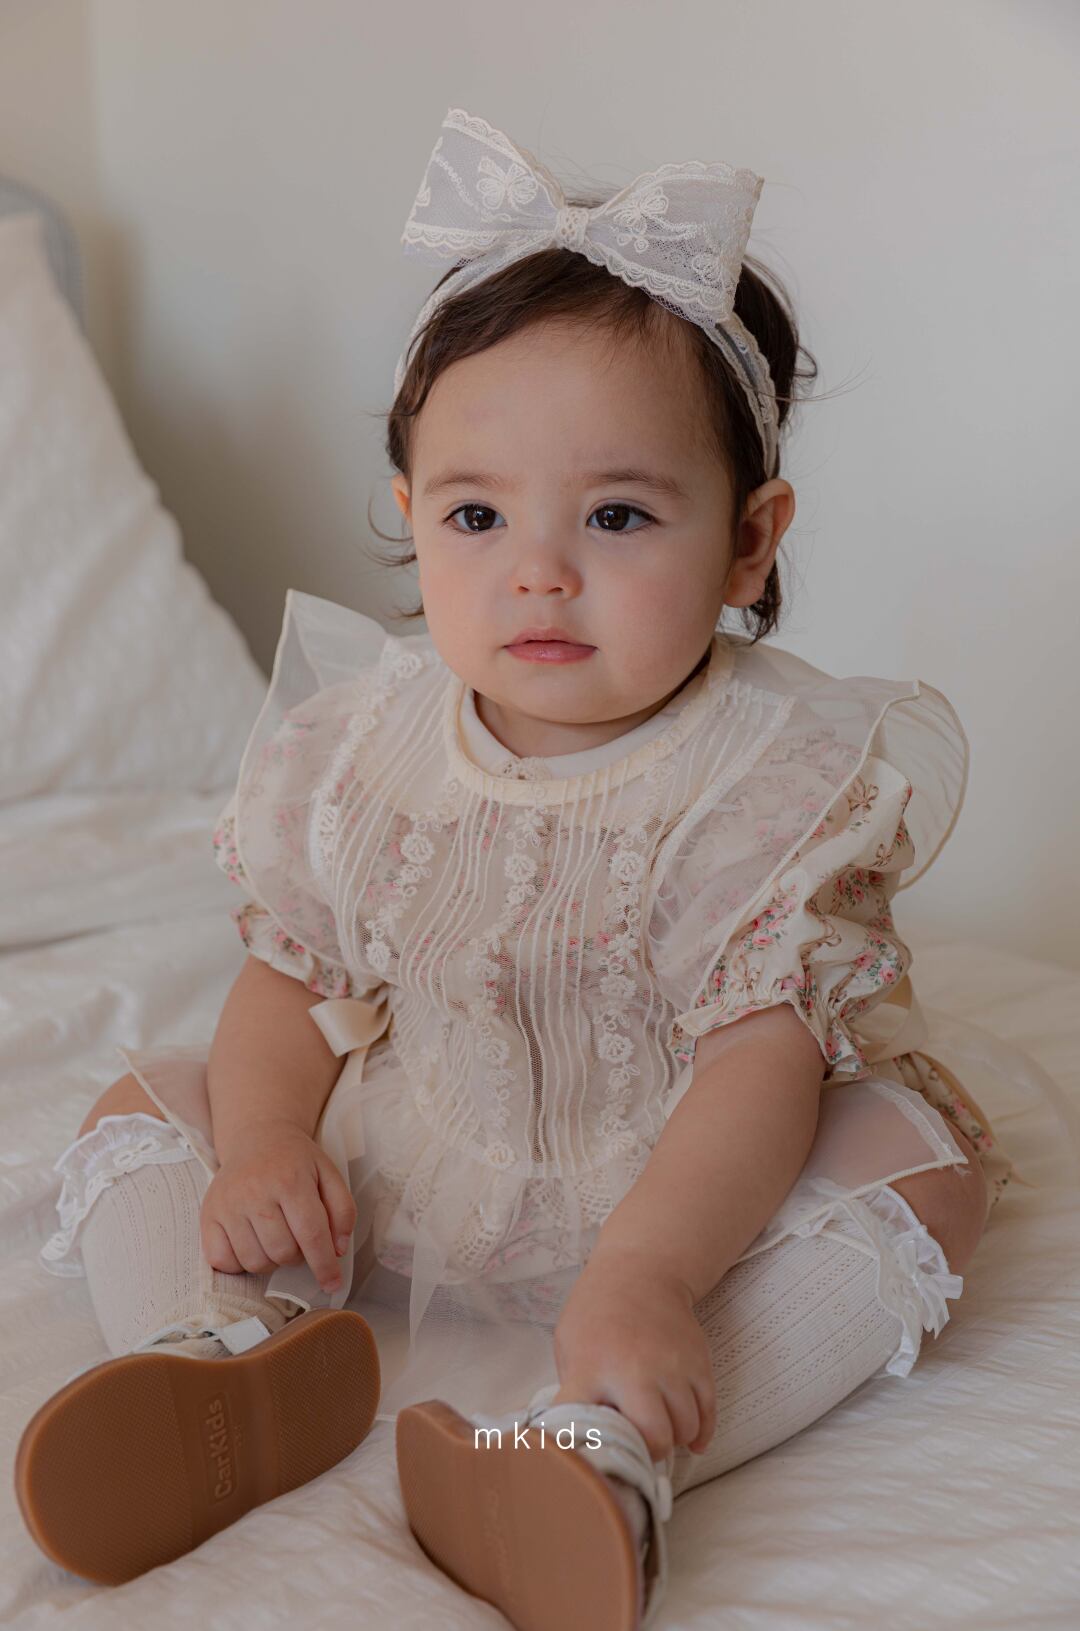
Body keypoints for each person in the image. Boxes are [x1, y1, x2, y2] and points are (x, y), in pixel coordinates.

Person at [14, 106, 1056, 1629]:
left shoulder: (770, 786)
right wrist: (267, 1148)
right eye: (478, 514)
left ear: (749, 542)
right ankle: (220, 1348)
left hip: (688, 1199)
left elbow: (759, 1064)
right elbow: (291, 980)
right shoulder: (358, 751)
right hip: (407, 1176)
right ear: (410, 520)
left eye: (618, 515)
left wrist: (647, 1274)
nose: (540, 570)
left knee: (918, 1156)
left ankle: (604, 1449)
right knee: (154, 1098)